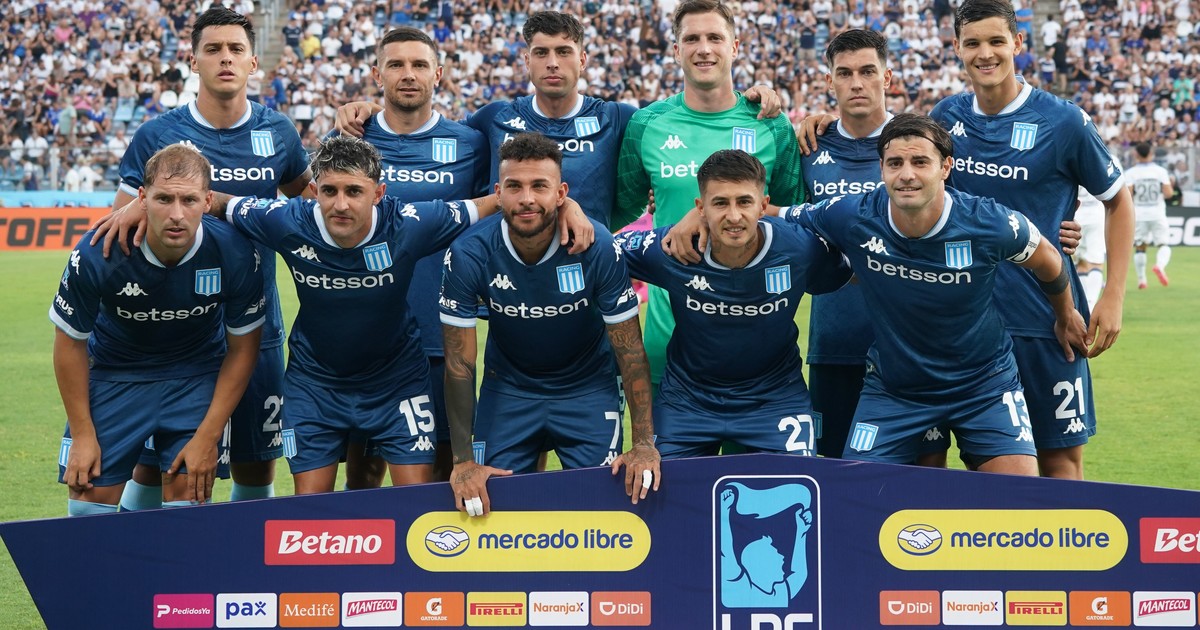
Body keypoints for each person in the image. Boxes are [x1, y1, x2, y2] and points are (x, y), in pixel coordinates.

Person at [96, 135, 593, 493]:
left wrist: (567, 208)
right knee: (311, 513)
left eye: (354, 191)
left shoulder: (412, 223)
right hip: (314, 385)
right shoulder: (286, 221)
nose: (340, 204)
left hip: (396, 383)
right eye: (329, 190)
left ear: (378, 193)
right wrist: (140, 207)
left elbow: (494, 202)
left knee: (412, 505)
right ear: (314, 190)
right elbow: (217, 202)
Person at [783, 113, 1087, 474]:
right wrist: (717, 216)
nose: (906, 174)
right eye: (895, 163)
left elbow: (1048, 259)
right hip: (896, 391)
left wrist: (1065, 314)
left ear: (945, 168)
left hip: (984, 385)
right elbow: (774, 214)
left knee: (1018, 493)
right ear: (881, 169)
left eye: (920, 162)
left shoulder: (988, 222)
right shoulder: (852, 214)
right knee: (859, 494)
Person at [105, 6, 311, 509]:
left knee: (256, 465)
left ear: (254, 62)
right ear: (193, 61)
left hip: (256, 323)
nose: (226, 58)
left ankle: (239, 557)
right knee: (159, 468)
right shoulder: (157, 135)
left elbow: (309, 211)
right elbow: (120, 229)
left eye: (236, 49)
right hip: (174, 331)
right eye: (213, 49)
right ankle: (139, 554)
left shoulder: (278, 132)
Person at [921, 0, 1133, 479]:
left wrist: (1114, 294)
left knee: (1060, 462)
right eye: (973, 43)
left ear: (1018, 43)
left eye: (997, 41)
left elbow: (1118, 200)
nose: (985, 53)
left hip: (1046, 319)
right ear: (956, 48)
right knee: (968, 466)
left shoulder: (1063, 122)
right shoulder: (945, 117)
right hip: (963, 326)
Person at [439, 133, 659, 517]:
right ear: (498, 194)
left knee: (599, 508)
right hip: (508, 388)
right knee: (494, 509)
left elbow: (630, 351)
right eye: (514, 187)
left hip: (587, 388)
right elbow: (460, 364)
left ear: (561, 194)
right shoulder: (468, 253)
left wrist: (643, 443)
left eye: (539, 186)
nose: (526, 198)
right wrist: (462, 461)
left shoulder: (597, 247)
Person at [51, 145, 264, 516]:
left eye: (189, 200)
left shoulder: (235, 252)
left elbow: (243, 349)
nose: (177, 214)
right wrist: (83, 434)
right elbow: (69, 345)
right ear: (142, 198)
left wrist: (209, 435)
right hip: (116, 374)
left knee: (188, 504)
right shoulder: (98, 252)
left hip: (195, 376)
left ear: (208, 201)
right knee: (87, 508)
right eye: (164, 199)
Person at [615, 0, 803, 396]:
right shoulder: (645, 125)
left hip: (757, 352)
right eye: (692, 39)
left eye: (715, 38)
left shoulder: (771, 125)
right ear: (676, 49)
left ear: (734, 47)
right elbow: (618, 212)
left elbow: (794, 222)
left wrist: (706, 217)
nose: (704, 49)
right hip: (669, 348)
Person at [331, 26, 490, 486]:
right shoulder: (349, 141)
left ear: (437, 74)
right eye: (396, 64)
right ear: (376, 73)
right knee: (363, 476)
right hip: (364, 336)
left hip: (441, 334)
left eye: (419, 64)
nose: (408, 74)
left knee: (441, 472)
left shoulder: (470, 143)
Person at [616, 149, 850, 459]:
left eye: (744, 202)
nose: (734, 216)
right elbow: (601, 251)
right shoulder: (673, 247)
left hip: (776, 399)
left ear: (763, 205)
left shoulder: (800, 248)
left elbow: (855, 266)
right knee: (664, 487)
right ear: (700, 208)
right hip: (687, 401)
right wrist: (571, 210)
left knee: (797, 483)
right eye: (720, 203)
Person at [799, 29, 893, 458]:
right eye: (845, 73)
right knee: (834, 473)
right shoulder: (808, 147)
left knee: (916, 476)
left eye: (868, 71)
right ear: (829, 81)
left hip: (905, 346)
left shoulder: (916, 144)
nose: (857, 83)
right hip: (832, 344)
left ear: (887, 78)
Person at [1125, 142, 1174, 289]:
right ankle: (1160, 266)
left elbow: (1128, 195)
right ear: (1151, 154)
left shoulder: (1131, 173)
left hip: (1140, 213)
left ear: (1136, 155)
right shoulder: (1160, 171)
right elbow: (1169, 193)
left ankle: (1142, 280)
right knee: (1163, 244)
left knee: (1140, 246)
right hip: (1157, 213)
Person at [1073, 186, 1107, 310]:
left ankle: (1084, 305)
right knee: (1096, 262)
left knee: (1081, 262)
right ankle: (1091, 305)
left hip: (1076, 215)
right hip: (1096, 215)